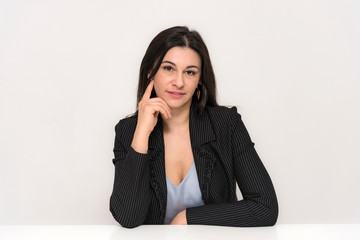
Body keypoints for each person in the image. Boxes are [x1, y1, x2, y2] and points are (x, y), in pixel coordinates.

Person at [110, 26, 278, 228]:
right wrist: (142, 134)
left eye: (190, 72)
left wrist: (188, 218)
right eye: (168, 68)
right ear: (150, 73)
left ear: (199, 81)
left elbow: (265, 208)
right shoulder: (128, 131)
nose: (179, 82)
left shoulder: (226, 124)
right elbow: (128, 218)